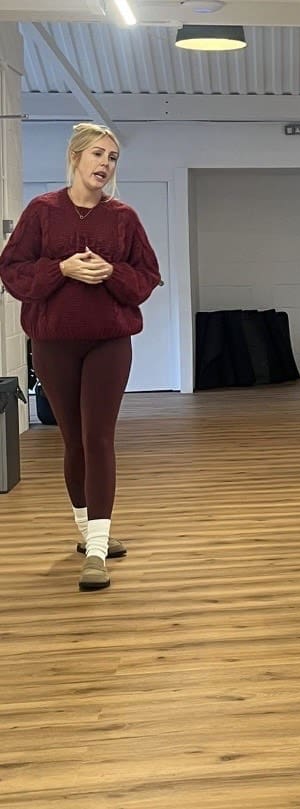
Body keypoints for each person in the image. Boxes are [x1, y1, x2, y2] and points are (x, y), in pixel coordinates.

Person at [0, 122, 162, 592]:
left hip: (109, 341)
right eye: (98, 154)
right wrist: (61, 268)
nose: (106, 164)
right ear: (75, 157)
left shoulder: (125, 217)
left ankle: (97, 551)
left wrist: (112, 271)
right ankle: (88, 532)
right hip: (53, 343)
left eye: (113, 158)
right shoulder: (42, 211)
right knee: (72, 439)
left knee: (99, 438)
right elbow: (12, 271)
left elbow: (147, 276)